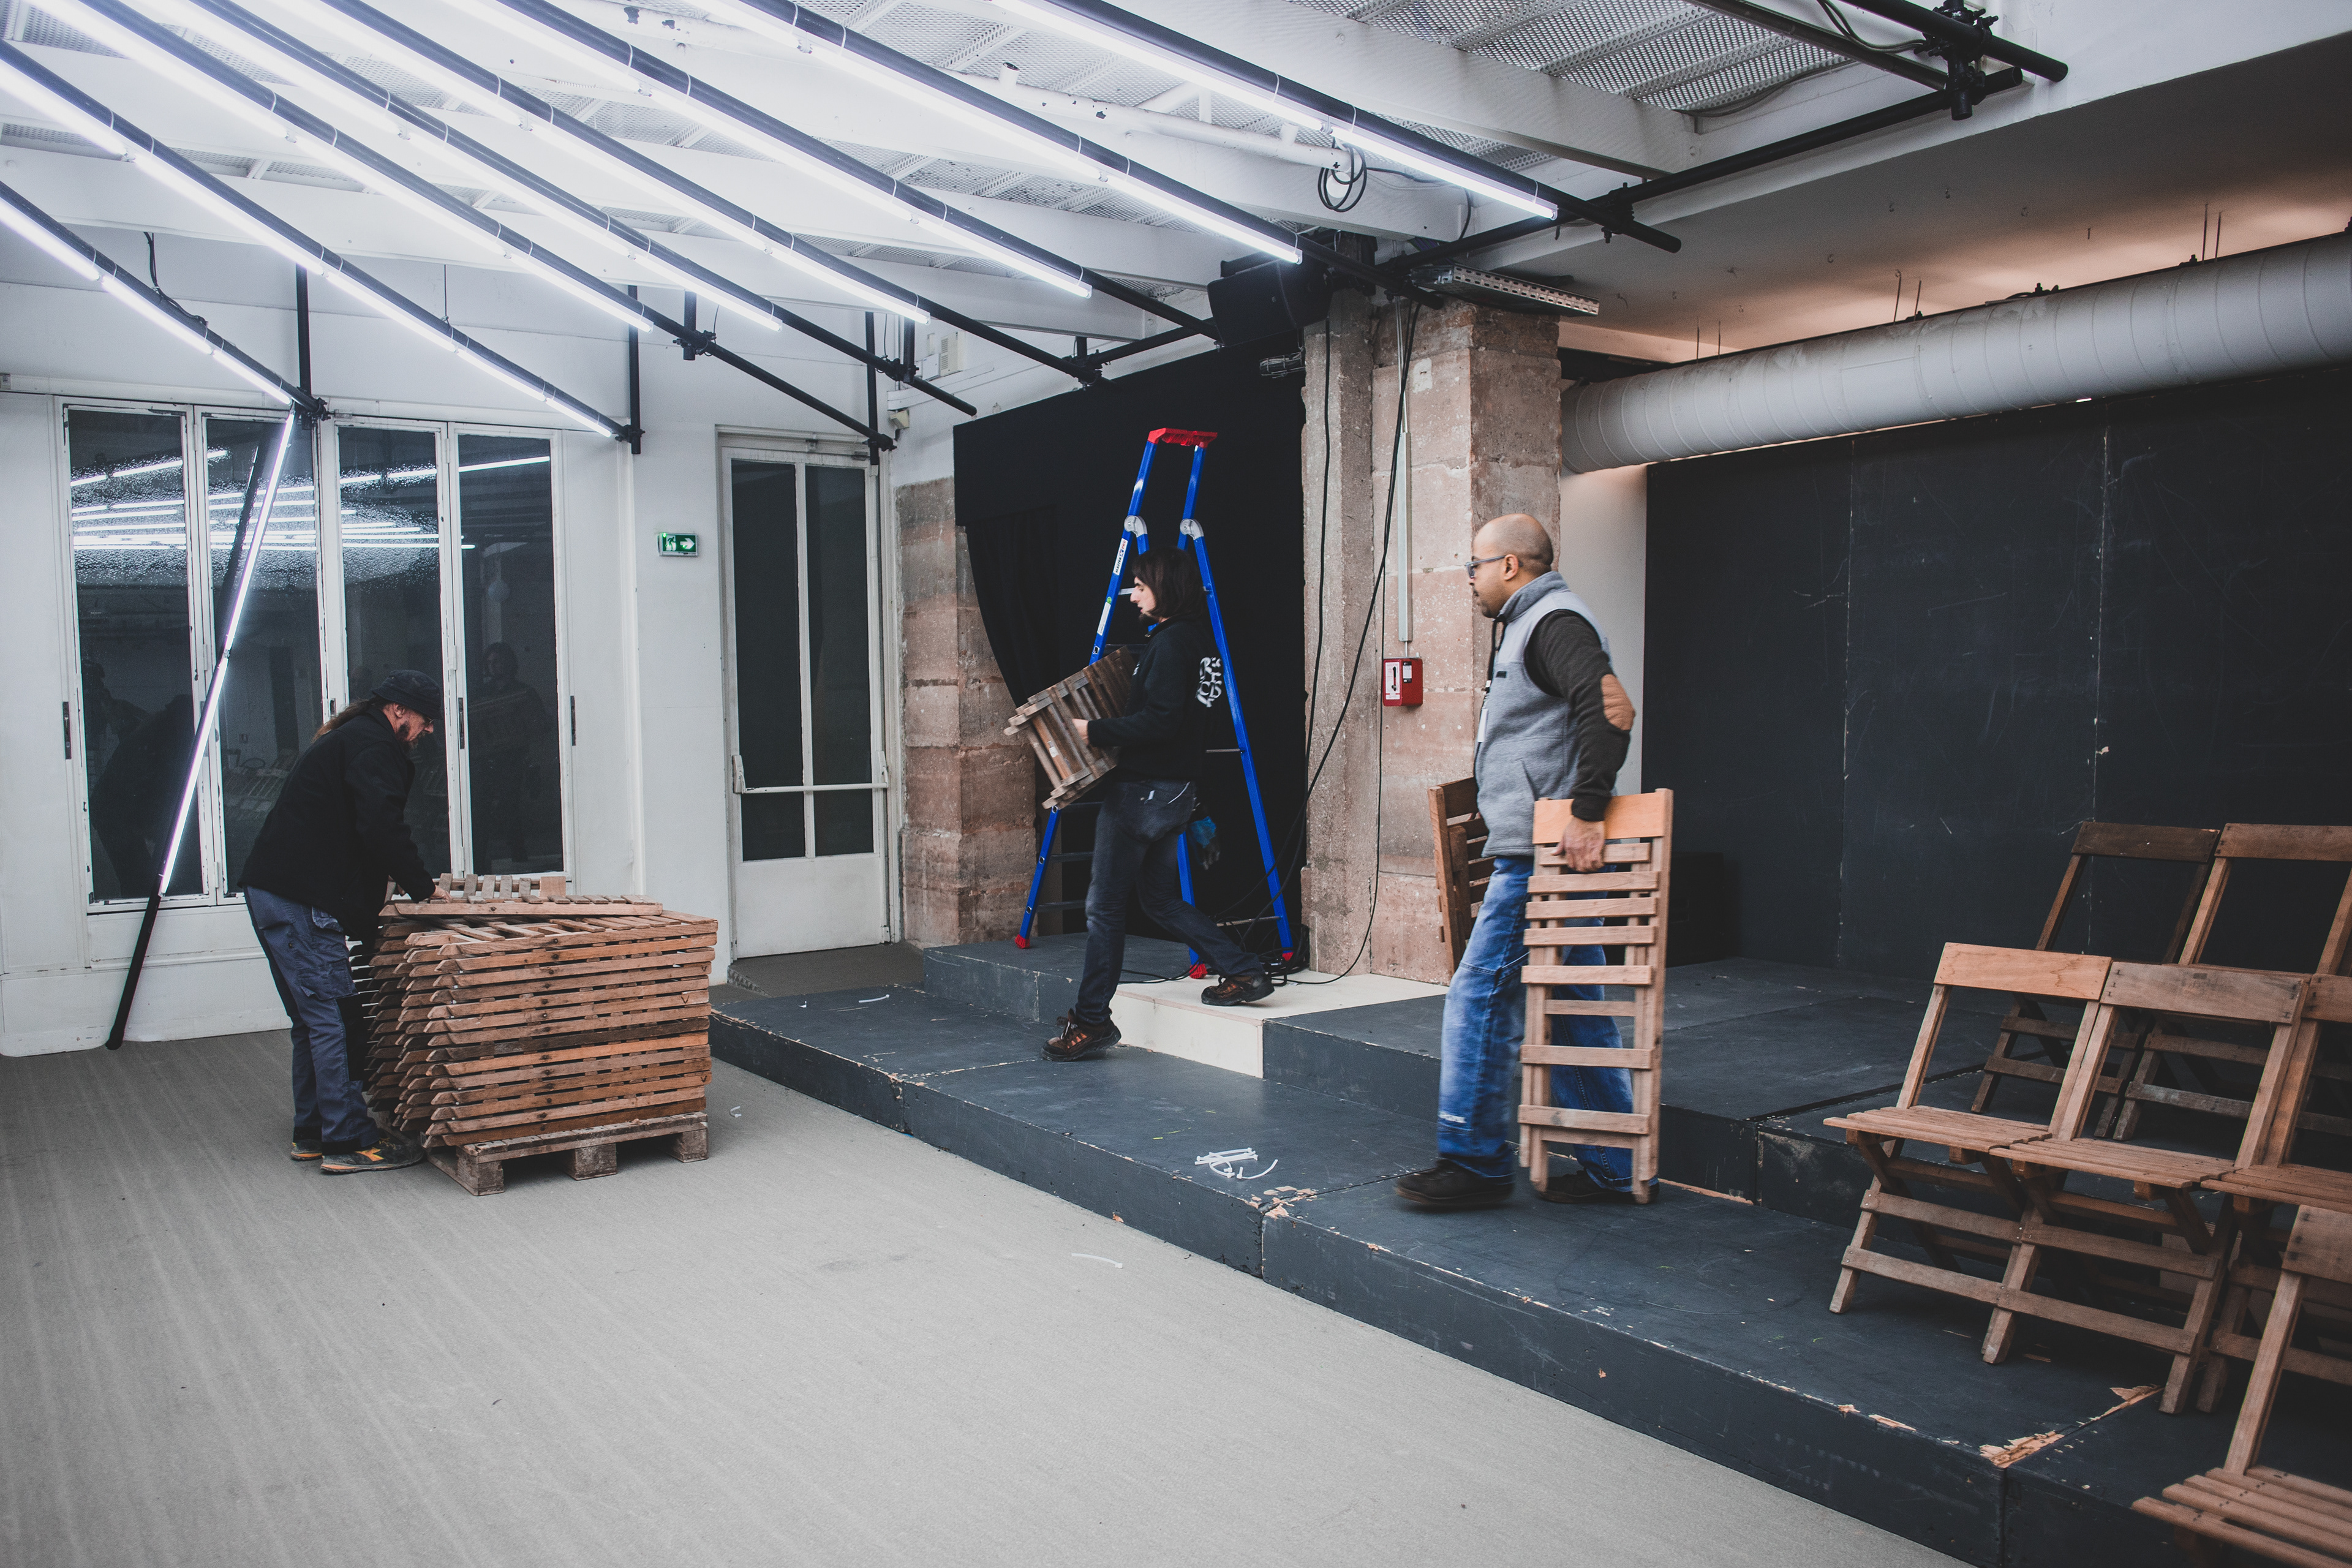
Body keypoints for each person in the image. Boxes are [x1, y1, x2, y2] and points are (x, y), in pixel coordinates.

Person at [1396, 514, 1641, 1209]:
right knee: (1572, 1009)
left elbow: (1612, 711)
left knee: (1478, 994)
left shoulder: (1553, 622)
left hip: (1542, 857)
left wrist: (1586, 812)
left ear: (1510, 565)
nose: (1468, 578)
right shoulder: (1529, 626)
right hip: (1540, 851)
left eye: (1473, 565)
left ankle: (1474, 1161)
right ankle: (1615, 1165)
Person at [1044, 549, 1275, 1061]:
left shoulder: (1171, 645)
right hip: (1175, 793)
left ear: (1166, 589)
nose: (1134, 595)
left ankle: (1091, 1021)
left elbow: (1163, 722)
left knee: (1104, 909)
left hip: (1143, 794)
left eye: (1142, 586)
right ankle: (1243, 971)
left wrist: (1095, 730)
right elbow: (1191, 722)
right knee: (1159, 900)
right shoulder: (1199, 643)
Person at [238, 671, 447, 1174]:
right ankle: (348, 1140)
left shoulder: (350, 739)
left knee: (311, 1021)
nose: (427, 731)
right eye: (425, 720)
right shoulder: (374, 747)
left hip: (274, 892)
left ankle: (312, 1132)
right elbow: (381, 826)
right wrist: (424, 888)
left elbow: (355, 829)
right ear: (398, 710)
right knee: (334, 1018)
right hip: (301, 900)